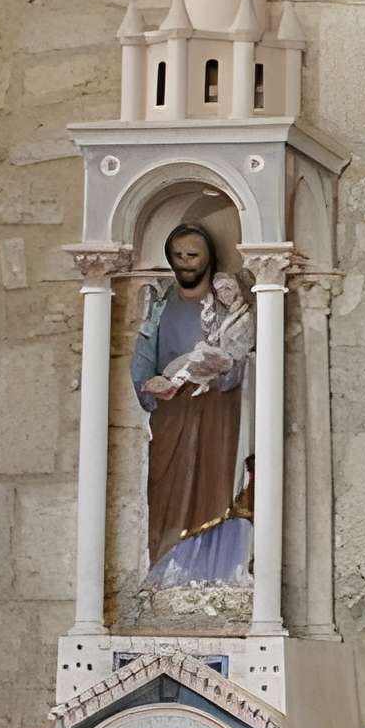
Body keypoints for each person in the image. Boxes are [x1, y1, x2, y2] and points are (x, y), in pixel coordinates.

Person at [131, 223, 255, 589]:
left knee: (217, 485)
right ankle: (168, 572)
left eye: (193, 255)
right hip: (172, 413)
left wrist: (223, 370)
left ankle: (216, 574)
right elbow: (143, 355)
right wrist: (147, 384)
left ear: (209, 259)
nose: (185, 262)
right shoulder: (158, 304)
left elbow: (243, 357)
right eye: (179, 255)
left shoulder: (225, 306)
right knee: (167, 491)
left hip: (218, 412)